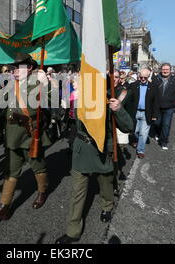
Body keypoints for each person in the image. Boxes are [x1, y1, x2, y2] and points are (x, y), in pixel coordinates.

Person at [55, 80, 134, 244]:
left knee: (106, 186)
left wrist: (118, 109)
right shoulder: (78, 98)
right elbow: (66, 119)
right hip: (81, 149)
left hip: (102, 150)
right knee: (77, 193)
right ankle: (72, 231)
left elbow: (128, 127)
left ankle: (107, 207)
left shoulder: (109, 100)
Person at [0, 54, 53, 222]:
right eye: (13, 68)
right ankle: (4, 207)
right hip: (13, 136)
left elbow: (52, 100)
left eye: (18, 67)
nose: (14, 70)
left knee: (38, 167)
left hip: (30, 135)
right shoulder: (10, 85)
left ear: (29, 68)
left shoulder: (38, 83)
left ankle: (42, 191)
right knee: (11, 171)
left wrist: (47, 83)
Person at [125, 68, 160, 158]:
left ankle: (141, 150)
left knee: (143, 133)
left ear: (148, 77)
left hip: (147, 114)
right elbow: (125, 94)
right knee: (134, 131)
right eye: (141, 77)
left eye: (145, 77)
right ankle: (136, 140)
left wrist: (155, 115)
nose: (143, 79)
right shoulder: (133, 85)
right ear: (138, 76)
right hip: (135, 112)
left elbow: (156, 102)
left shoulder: (153, 86)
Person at [153, 63, 175, 150]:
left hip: (169, 106)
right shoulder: (155, 79)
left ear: (170, 70)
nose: (165, 71)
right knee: (157, 123)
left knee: (166, 125)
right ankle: (158, 133)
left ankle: (164, 141)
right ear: (161, 70)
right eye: (163, 69)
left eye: (167, 69)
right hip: (157, 106)